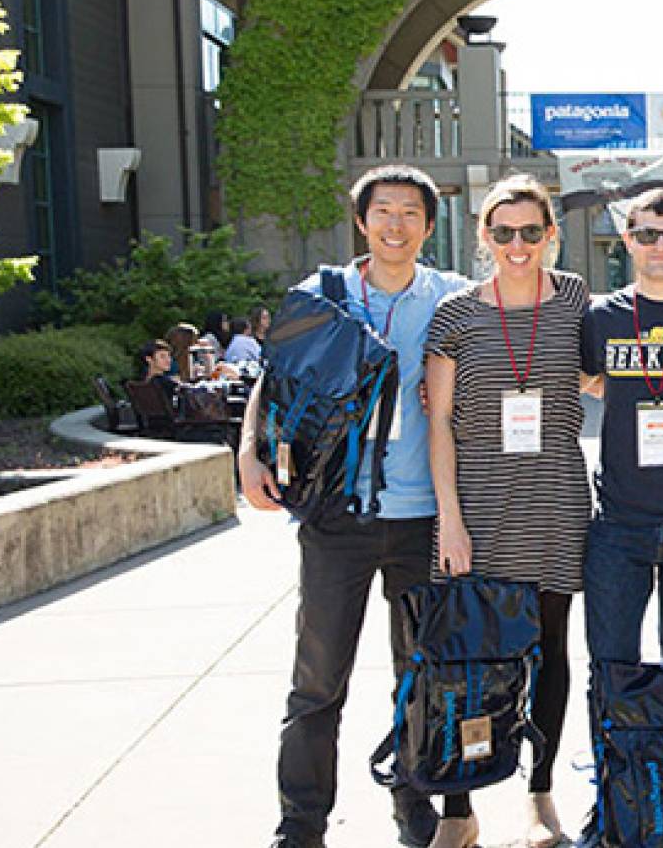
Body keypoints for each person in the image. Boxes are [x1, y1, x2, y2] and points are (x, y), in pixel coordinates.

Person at [237, 164, 472, 848]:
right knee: (317, 683)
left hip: (423, 520)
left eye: (410, 214)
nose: (395, 224)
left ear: (429, 227)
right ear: (362, 221)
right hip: (338, 515)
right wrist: (249, 452)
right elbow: (274, 381)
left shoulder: (453, 300)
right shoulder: (324, 294)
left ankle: (417, 807)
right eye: (383, 211)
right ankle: (301, 826)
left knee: (423, 678)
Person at [424, 174, 590, 848]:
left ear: (551, 234)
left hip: (555, 497)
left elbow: (604, 367)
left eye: (530, 232)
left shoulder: (576, 299)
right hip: (481, 503)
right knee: (468, 656)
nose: (516, 245)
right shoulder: (457, 315)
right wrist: (450, 519)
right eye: (502, 232)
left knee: (550, 651)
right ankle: (459, 812)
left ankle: (540, 795)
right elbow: (438, 424)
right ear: (484, 237)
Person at [580, 188, 663, 668]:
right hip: (620, 518)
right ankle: (614, 747)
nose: (660, 246)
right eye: (647, 234)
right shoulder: (601, 316)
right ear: (627, 241)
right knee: (611, 662)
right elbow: (583, 382)